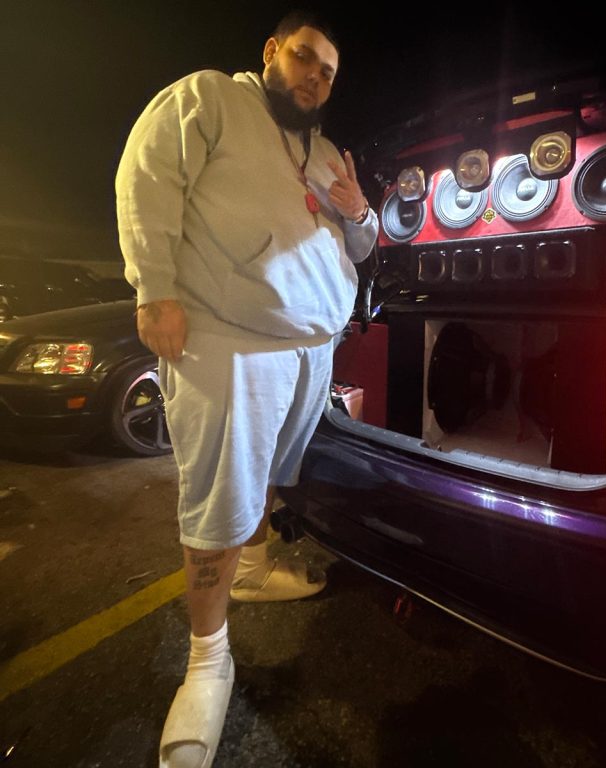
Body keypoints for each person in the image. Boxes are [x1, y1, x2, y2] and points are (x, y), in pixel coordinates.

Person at [115, 11, 377, 768]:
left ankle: (256, 570)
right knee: (220, 495)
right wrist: (155, 289)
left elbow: (365, 246)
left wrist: (357, 210)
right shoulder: (209, 98)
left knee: (263, 477)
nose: (314, 77)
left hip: (310, 345)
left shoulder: (323, 152)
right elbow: (146, 177)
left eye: (327, 72)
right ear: (272, 52)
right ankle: (207, 659)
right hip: (229, 339)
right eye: (304, 58)